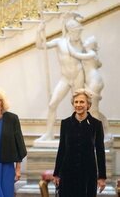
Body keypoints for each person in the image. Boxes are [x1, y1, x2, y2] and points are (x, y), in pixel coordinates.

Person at [35, 12, 85, 141]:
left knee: (79, 107)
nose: (79, 35)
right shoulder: (59, 42)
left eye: (79, 32)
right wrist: (38, 32)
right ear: (70, 31)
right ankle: (49, 133)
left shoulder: (81, 44)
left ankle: (81, 133)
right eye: (77, 32)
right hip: (65, 78)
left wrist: (74, 17)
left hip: (78, 76)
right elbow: (40, 46)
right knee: (52, 104)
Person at [53, 88, 106, 197]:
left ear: (88, 105)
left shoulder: (96, 124)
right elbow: (62, 148)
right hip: (67, 172)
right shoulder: (65, 123)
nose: (78, 105)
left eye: (82, 102)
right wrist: (56, 173)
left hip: (88, 173)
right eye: (76, 102)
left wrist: (102, 177)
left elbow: (100, 151)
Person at [67, 36, 109, 136]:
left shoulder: (91, 54)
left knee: (93, 109)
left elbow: (74, 54)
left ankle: (97, 135)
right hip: (92, 81)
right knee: (94, 108)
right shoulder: (88, 53)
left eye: (87, 41)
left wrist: (67, 41)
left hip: (94, 81)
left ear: (91, 44)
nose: (84, 42)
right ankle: (105, 128)